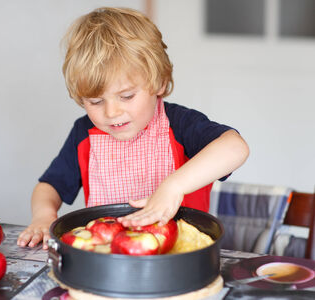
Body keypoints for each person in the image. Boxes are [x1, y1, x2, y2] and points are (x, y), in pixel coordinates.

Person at [17, 7, 249, 249]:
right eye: (96, 101)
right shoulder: (84, 134)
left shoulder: (179, 125)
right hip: (108, 256)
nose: (111, 112)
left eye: (126, 96)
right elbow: (49, 186)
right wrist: (43, 216)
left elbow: (235, 147)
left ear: (158, 82)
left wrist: (173, 187)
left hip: (178, 255)